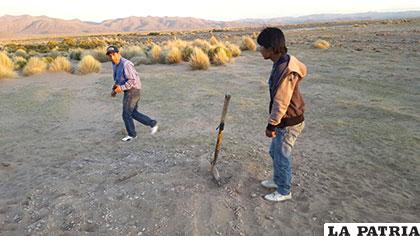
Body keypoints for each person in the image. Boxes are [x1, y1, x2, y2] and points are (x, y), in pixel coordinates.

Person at [257, 27, 307, 202]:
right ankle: (278, 180)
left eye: (261, 47)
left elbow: (281, 102)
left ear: (271, 48)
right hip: (285, 120)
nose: (259, 50)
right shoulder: (281, 62)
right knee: (275, 152)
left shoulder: (284, 71)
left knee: (282, 155)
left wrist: (271, 125)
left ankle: (284, 191)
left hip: (289, 122)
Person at [106, 45, 158, 142]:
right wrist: (115, 89)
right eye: (110, 55)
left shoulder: (126, 64)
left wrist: (121, 88)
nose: (112, 57)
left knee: (126, 114)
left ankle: (132, 135)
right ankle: (152, 123)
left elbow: (132, 81)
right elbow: (119, 78)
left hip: (133, 90)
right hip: (130, 90)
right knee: (133, 113)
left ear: (118, 53)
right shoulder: (114, 64)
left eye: (113, 54)